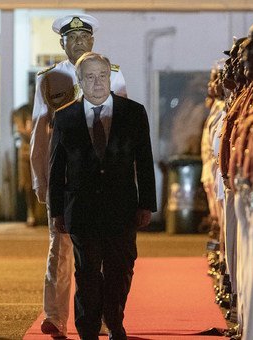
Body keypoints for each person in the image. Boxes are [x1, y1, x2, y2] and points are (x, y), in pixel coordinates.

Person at [29, 13, 127, 338]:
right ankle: (55, 316)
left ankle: (96, 314)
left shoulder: (112, 74)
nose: (78, 43)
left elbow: (124, 128)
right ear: (62, 43)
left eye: (84, 38)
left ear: (93, 41)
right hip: (64, 177)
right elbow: (39, 134)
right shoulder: (49, 78)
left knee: (97, 251)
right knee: (60, 247)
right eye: (72, 39)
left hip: (101, 178)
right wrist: (38, 179)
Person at [48, 52, 156, 340]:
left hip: (122, 209)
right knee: (88, 273)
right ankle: (88, 329)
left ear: (111, 77)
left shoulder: (133, 112)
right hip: (81, 210)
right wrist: (56, 211)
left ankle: (114, 319)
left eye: (103, 76)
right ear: (80, 82)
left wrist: (147, 204)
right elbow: (56, 169)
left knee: (120, 270)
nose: (98, 83)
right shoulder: (65, 117)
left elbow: (144, 161)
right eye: (91, 77)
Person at [12, 104, 38, 226]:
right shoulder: (21, 111)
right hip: (26, 153)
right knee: (28, 185)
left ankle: (41, 214)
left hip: (40, 151)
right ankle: (31, 213)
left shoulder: (43, 107)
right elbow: (21, 131)